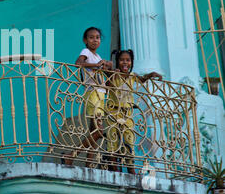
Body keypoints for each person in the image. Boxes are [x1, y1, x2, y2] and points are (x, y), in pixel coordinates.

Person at [105, 49, 162, 174]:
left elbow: (141, 79)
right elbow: (107, 84)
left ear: (131, 62)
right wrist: (112, 73)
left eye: (128, 60)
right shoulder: (115, 75)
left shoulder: (132, 76)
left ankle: (131, 171)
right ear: (117, 62)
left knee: (129, 141)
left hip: (127, 113)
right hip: (113, 112)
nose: (125, 63)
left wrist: (151, 75)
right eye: (121, 60)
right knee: (113, 141)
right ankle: (113, 169)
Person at [64, 27, 113, 167]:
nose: (95, 40)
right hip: (93, 94)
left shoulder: (97, 57)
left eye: (97, 37)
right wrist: (96, 65)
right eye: (91, 37)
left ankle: (88, 163)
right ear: (85, 40)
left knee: (94, 132)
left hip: (101, 94)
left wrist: (107, 65)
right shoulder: (86, 52)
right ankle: (71, 155)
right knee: (99, 131)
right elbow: (78, 63)